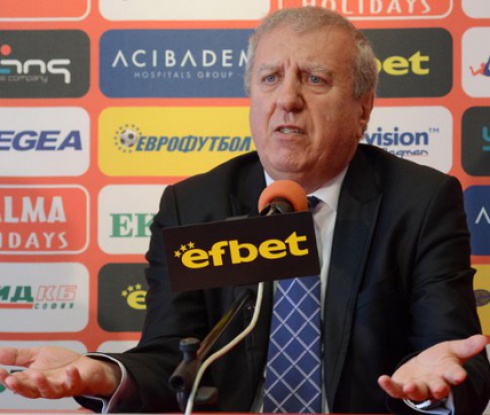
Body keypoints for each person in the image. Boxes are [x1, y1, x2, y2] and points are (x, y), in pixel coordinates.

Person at [1, 6, 489, 414]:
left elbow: (454, 356)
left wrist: (432, 390)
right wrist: (108, 374)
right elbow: (171, 359)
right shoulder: (196, 206)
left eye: (315, 79)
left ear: (363, 107)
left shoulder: (418, 202)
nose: (287, 99)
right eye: (270, 78)